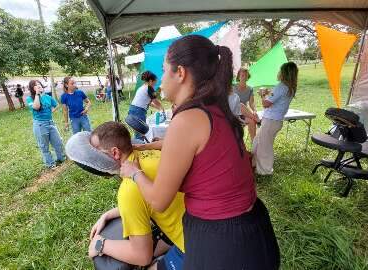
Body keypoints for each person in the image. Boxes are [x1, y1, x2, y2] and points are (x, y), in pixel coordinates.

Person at [120, 35, 280, 270]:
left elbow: (158, 200)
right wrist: (146, 146)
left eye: (164, 71)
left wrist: (133, 173)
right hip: (254, 229)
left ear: (181, 73)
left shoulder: (186, 119)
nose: (162, 79)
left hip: (224, 243)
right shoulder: (216, 107)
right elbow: (200, 151)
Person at [84, 122, 185, 269]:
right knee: (156, 252)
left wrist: (100, 244)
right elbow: (145, 200)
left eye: (96, 151)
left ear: (115, 153)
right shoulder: (152, 154)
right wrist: (108, 214)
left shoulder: (129, 189)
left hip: (199, 247)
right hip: (202, 224)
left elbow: (142, 256)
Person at [253, 62, 298, 175]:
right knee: (257, 142)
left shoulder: (281, 86)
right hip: (275, 121)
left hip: (271, 121)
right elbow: (276, 99)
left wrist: (262, 95)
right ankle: (254, 164)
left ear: (284, 73)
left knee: (264, 146)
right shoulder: (290, 87)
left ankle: (265, 171)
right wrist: (269, 93)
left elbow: (266, 104)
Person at [26, 80, 65, 169]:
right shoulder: (30, 98)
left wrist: (51, 111)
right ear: (33, 88)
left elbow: (57, 105)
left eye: (39, 84)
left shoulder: (48, 97)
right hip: (40, 124)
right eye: (36, 85)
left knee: (58, 142)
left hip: (50, 122)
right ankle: (50, 164)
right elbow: (36, 107)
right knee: (44, 146)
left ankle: (61, 158)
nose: (39, 86)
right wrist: (37, 94)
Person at [128, 71, 164, 140]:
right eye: (154, 82)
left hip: (133, 109)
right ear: (150, 81)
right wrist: (161, 107)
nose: (155, 84)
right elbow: (155, 101)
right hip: (138, 111)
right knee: (140, 132)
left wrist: (157, 107)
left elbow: (148, 102)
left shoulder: (142, 87)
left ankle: (138, 144)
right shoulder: (150, 88)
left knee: (137, 131)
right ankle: (140, 147)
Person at [235, 68, 259, 141]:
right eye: (242, 75)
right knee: (240, 104)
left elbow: (251, 103)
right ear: (238, 77)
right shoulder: (233, 87)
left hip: (243, 114)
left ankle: (254, 145)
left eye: (246, 75)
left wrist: (254, 110)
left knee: (252, 121)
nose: (244, 77)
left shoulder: (250, 89)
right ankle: (257, 120)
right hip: (234, 112)